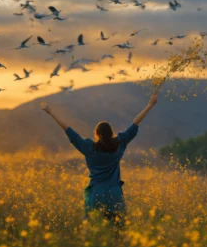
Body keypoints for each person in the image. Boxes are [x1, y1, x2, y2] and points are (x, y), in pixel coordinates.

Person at [40, 91, 158, 232]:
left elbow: (69, 130)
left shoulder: (89, 148)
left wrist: (51, 113)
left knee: (93, 233)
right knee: (118, 232)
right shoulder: (119, 144)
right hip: (114, 195)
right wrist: (150, 105)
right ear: (111, 133)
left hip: (95, 195)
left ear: (96, 134)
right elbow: (135, 123)